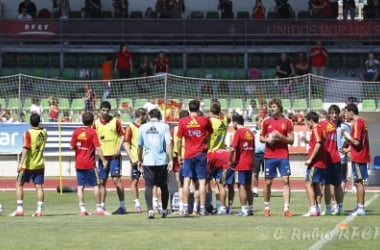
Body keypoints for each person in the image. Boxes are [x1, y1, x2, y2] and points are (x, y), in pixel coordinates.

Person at [177, 99, 213, 216]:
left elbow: (178, 139)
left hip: (188, 154)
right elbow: (210, 133)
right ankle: (202, 209)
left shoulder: (183, 121)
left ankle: (186, 208)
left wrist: (178, 154)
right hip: (201, 153)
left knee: (186, 180)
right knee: (202, 181)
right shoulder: (204, 120)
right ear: (199, 109)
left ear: (189, 108)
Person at [259, 98, 294, 217]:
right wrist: (267, 140)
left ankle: (286, 209)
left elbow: (291, 140)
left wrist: (280, 137)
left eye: (274, 107)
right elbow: (261, 138)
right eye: (271, 107)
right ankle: (267, 207)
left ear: (279, 108)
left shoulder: (287, 122)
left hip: (283, 155)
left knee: (285, 180)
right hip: (270, 156)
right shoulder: (266, 122)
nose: (272, 109)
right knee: (268, 182)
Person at [70, 112, 109, 216]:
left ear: (82, 120)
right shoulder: (93, 132)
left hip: (78, 163)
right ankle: (99, 209)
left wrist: (80, 147)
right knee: (96, 185)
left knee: (80, 186)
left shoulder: (76, 132)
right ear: (92, 121)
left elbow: (72, 146)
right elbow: (98, 147)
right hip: (90, 163)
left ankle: (82, 209)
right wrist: (104, 160)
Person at [137, 108, 173, 218]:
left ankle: (150, 210)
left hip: (148, 161)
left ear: (149, 117)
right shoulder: (165, 126)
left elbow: (139, 146)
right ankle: (163, 210)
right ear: (160, 116)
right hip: (161, 160)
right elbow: (169, 143)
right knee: (164, 186)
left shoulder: (142, 127)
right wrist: (170, 159)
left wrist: (139, 160)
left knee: (149, 186)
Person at [10, 113, 47, 216]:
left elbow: (26, 148)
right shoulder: (44, 132)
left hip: (28, 164)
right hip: (39, 163)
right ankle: (39, 211)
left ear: (30, 122)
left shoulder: (28, 133)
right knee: (39, 186)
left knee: (18, 184)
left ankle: (19, 209)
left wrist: (20, 163)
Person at [93, 101, 126, 214]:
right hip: (103, 157)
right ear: (100, 110)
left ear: (109, 111)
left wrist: (118, 148)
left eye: (107, 111)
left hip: (114, 156)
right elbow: (93, 138)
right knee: (102, 181)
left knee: (117, 179)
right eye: (103, 110)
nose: (105, 113)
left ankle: (122, 206)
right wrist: (96, 152)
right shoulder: (96, 123)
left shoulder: (115, 121)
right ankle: (102, 206)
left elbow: (122, 135)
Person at [342, 104, 370, 216]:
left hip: (359, 157)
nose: (345, 114)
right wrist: (348, 149)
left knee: (358, 182)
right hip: (360, 155)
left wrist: (345, 134)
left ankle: (361, 208)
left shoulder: (358, 123)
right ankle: (359, 206)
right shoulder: (361, 122)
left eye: (346, 112)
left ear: (351, 112)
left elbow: (357, 142)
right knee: (358, 182)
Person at [318, 110, 343, 216]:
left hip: (327, 159)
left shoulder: (321, 126)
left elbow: (321, 143)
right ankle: (340, 208)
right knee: (337, 185)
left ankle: (328, 209)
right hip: (336, 157)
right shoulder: (332, 126)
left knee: (326, 185)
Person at [229, 114, 254, 216]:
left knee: (241, 186)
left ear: (235, 122)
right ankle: (250, 208)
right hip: (250, 161)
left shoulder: (238, 133)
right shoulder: (250, 132)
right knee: (248, 186)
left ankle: (243, 210)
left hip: (242, 162)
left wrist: (230, 160)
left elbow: (232, 149)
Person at [123, 107, 148, 213]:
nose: (148, 117)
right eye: (146, 115)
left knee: (150, 182)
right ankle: (137, 203)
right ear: (142, 116)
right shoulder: (131, 127)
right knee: (135, 181)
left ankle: (154, 203)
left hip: (148, 159)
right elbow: (126, 144)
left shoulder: (148, 127)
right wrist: (132, 158)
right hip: (136, 159)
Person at [303, 111, 327, 216]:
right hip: (321, 163)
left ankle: (312, 209)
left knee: (308, 184)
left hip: (315, 163)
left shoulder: (316, 129)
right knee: (316, 185)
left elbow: (318, 144)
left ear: (311, 121)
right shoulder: (321, 129)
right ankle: (317, 208)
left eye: (307, 122)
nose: (306, 124)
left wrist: (310, 159)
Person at [328, 104, 351, 212]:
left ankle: (340, 205)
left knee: (341, 183)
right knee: (331, 184)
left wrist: (348, 149)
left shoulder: (345, 126)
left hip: (341, 159)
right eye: (332, 113)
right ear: (329, 114)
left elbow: (353, 140)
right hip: (330, 159)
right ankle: (334, 204)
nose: (334, 115)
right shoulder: (326, 126)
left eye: (336, 113)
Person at [171, 110, 189, 215]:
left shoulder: (174, 130)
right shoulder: (191, 127)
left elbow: (171, 143)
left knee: (181, 184)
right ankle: (194, 207)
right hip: (190, 156)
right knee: (192, 183)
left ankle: (181, 207)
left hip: (178, 158)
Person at [251, 115, 265, 197]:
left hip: (265, 154)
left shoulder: (266, 130)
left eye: (262, 120)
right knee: (255, 173)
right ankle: (255, 190)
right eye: (260, 121)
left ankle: (266, 189)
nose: (261, 122)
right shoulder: (252, 131)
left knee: (268, 174)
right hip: (255, 154)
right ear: (256, 122)